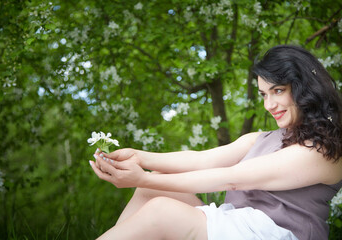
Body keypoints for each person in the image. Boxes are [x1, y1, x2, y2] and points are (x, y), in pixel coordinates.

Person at [89, 45, 342, 240]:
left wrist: (140, 177)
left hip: (273, 234)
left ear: (303, 89)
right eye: (264, 94)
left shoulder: (323, 152)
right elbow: (202, 159)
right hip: (237, 224)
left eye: (278, 91)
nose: (269, 105)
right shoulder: (262, 138)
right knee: (152, 189)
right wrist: (138, 157)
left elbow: (232, 178)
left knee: (161, 210)